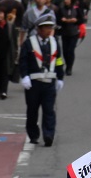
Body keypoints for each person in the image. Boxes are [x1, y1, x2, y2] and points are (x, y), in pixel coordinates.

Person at [19, 13, 64, 147]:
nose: (49, 30)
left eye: (51, 27)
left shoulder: (54, 42)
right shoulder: (29, 43)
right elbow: (23, 61)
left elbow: (59, 61)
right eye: (46, 27)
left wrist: (60, 77)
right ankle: (33, 135)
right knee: (32, 110)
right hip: (33, 83)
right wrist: (24, 76)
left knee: (49, 110)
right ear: (39, 29)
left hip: (49, 83)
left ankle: (48, 135)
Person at [57, 0, 84, 76]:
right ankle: (67, 63)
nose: (66, 1)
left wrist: (75, 20)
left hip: (74, 32)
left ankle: (69, 67)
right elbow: (57, 20)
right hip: (64, 32)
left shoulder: (76, 9)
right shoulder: (61, 9)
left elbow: (81, 20)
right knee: (65, 50)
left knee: (70, 50)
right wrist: (62, 20)